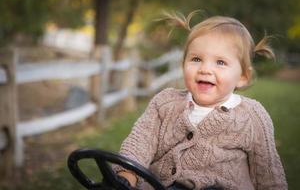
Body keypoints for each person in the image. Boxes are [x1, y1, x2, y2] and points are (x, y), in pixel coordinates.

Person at [113, 11, 288, 190]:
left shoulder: (252, 117)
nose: (205, 69)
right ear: (183, 65)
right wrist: (126, 176)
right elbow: (139, 143)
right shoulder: (165, 102)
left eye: (220, 62)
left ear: (243, 76)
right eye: (196, 59)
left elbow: (268, 174)